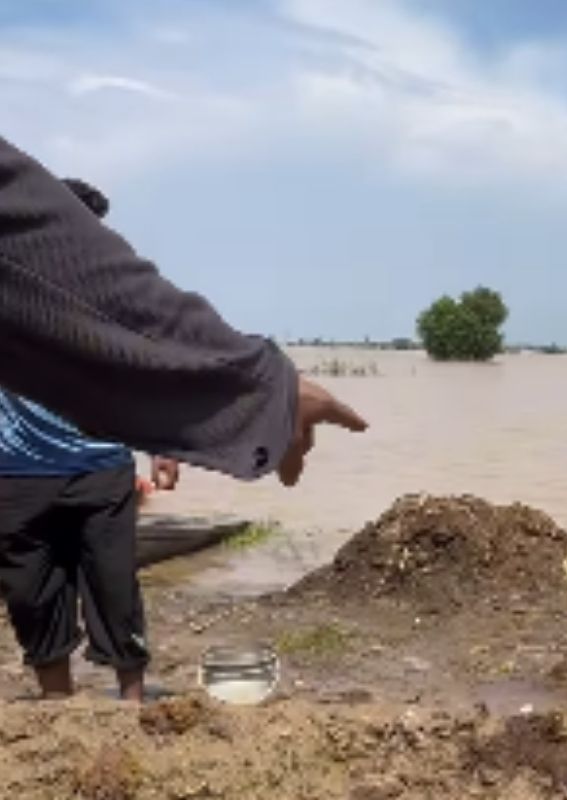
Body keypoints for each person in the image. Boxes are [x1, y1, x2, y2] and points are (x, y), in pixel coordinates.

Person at [0, 135, 367, 484]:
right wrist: (257, 386)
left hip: (101, 472)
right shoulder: (44, 294)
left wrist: (165, 448)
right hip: (24, 478)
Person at [0, 179, 181, 702]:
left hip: (101, 467)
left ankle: (131, 705)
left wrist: (164, 443)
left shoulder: (114, 298)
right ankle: (58, 711)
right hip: (15, 472)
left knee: (116, 590)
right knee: (30, 597)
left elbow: (147, 373)